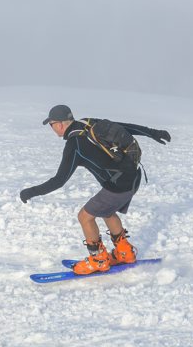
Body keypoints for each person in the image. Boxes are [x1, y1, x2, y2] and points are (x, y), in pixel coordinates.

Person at [19, 104, 171, 275]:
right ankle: (125, 253)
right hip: (133, 177)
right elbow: (124, 128)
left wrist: (31, 192)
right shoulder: (88, 124)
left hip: (118, 186)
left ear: (60, 124)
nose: (52, 128)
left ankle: (98, 259)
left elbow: (59, 181)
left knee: (85, 217)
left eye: (51, 124)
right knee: (106, 211)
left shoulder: (74, 144)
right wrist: (153, 132)